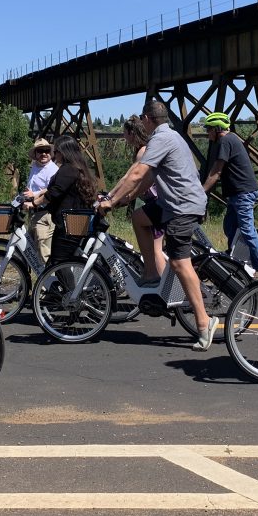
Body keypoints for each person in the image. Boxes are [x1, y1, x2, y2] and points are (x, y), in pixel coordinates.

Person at [99, 100, 219, 351]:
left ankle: (203, 322)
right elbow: (142, 181)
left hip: (181, 207)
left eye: (143, 119)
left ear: (147, 119)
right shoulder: (172, 136)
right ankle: (152, 273)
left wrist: (111, 201)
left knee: (178, 261)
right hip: (171, 203)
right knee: (139, 218)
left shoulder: (159, 140)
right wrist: (118, 198)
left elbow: (136, 174)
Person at [201, 111, 258, 278]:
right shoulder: (231, 138)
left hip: (243, 193)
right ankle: (238, 261)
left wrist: (201, 191)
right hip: (237, 194)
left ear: (218, 129)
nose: (207, 133)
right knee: (230, 227)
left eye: (209, 129)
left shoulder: (225, 141)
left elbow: (216, 171)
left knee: (247, 231)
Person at [24, 135, 98, 265]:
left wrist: (34, 203)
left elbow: (53, 192)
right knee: (56, 260)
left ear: (63, 152)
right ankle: (52, 283)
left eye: (55, 151)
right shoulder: (75, 167)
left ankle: (65, 286)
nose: (54, 154)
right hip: (68, 220)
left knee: (58, 262)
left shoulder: (68, 169)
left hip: (67, 222)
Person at [119, 116, 165, 281]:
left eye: (124, 132)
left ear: (131, 133)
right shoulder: (144, 149)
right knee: (155, 246)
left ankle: (158, 282)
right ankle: (157, 280)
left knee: (155, 247)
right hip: (157, 201)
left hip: (158, 202)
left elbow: (130, 178)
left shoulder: (142, 151)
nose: (123, 136)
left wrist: (114, 198)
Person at [22, 138, 59, 263]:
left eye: (46, 150)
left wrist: (34, 194)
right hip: (33, 213)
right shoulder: (35, 167)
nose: (44, 153)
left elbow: (51, 190)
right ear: (36, 154)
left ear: (50, 152)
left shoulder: (52, 169)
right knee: (31, 252)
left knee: (44, 253)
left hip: (45, 214)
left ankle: (49, 282)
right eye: (40, 151)